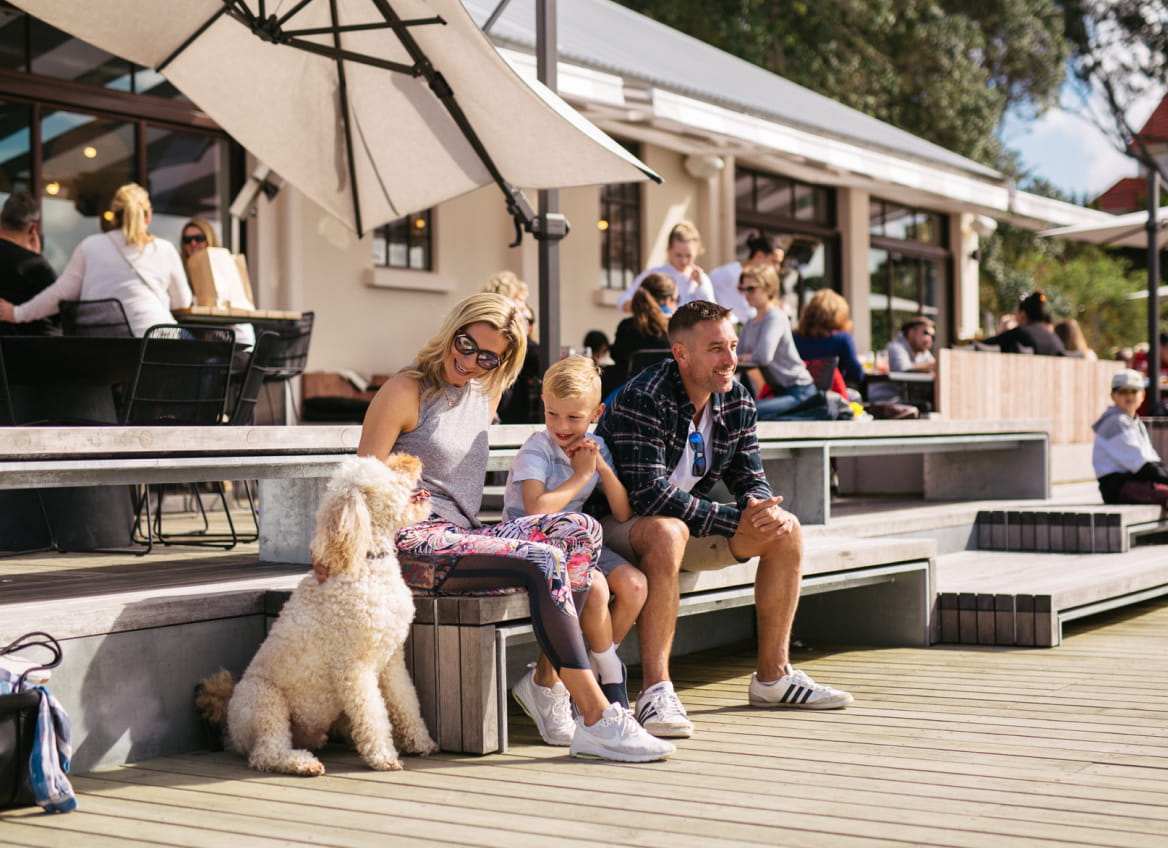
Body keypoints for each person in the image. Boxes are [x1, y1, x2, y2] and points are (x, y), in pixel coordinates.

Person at [333, 292, 672, 762]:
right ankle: (599, 716)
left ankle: (545, 685)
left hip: (463, 535)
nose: (470, 360)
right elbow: (360, 481)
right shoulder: (406, 389)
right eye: (466, 344)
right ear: (453, 330)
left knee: (580, 532)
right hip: (408, 541)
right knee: (542, 559)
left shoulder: (483, 392)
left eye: (487, 355)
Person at [595, 301, 853, 739]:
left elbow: (749, 475)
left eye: (732, 346)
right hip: (615, 526)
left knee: (784, 528)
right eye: (716, 348)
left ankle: (772, 677)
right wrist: (732, 520)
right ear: (681, 354)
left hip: (686, 525)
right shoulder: (646, 395)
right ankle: (655, 691)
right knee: (665, 530)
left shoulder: (735, 399)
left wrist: (758, 508)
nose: (731, 359)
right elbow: (648, 494)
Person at [503, 355, 647, 719]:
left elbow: (622, 513)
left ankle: (598, 665)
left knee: (634, 585)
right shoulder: (538, 448)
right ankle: (609, 680)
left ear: (596, 413)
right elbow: (536, 509)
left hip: (577, 544)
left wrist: (600, 468)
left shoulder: (594, 446)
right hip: (531, 542)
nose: (561, 426)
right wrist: (581, 477)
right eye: (553, 414)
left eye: (573, 417)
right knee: (596, 588)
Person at [0, 183, 191, 336]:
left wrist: (17, 314)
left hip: (102, 350)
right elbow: (182, 302)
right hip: (153, 342)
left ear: (113, 216)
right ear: (148, 216)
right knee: (209, 358)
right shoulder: (164, 248)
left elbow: (59, 294)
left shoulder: (90, 245)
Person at [735, 265, 820, 419]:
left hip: (800, 392)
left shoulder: (775, 317)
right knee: (734, 410)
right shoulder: (750, 322)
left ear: (769, 289)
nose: (746, 293)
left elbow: (763, 357)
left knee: (745, 412)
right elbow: (735, 356)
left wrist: (746, 357)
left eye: (751, 288)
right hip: (779, 392)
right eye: (743, 289)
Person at [1092, 369, 1168, 507]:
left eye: (1134, 391)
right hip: (1119, 486)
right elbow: (1140, 464)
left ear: (1143, 395)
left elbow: (1150, 460)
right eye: (1123, 392)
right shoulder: (1116, 422)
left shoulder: (1133, 421)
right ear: (1113, 396)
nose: (1129, 396)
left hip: (1135, 483)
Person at [179, 217, 255, 348]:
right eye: (187, 240)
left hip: (236, 343)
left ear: (209, 239)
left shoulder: (224, 267)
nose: (193, 243)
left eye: (199, 238)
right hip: (209, 341)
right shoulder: (183, 272)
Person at [615, 221, 714, 313]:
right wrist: (651, 309)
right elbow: (622, 300)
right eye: (678, 255)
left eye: (688, 255)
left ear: (697, 252)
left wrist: (701, 286)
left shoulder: (702, 279)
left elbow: (711, 313)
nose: (684, 261)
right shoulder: (655, 275)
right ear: (669, 250)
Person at [0, 191, 58, 336]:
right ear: (33, 228)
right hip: (31, 351)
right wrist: (36, 258)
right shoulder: (33, 265)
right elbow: (62, 309)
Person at [792, 289, 865, 390]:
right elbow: (857, 375)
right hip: (833, 395)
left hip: (801, 393)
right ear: (839, 315)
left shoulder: (794, 338)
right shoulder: (842, 339)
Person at [609, 272, 676, 380]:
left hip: (630, 391)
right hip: (670, 392)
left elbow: (617, 357)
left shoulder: (626, 327)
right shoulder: (677, 328)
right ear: (668, 301)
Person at [708, 232, 785, 325]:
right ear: (759, 256)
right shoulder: (729, 275)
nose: (777, 268)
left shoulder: (730, 272)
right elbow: (749, 315)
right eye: (774, 261)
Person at [868, 316, 936, 404]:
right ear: (911, 333)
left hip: (907, 400)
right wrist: (932, 364)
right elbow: (903, 369)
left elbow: (933, 367)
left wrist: (932, 367)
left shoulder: (924, 352)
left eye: (932, 336)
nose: (929, 339)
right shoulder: (895, 347)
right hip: (885, 400)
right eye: (926, 333)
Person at [982, 291, 1065, 356]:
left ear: (1022, 314)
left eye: (1016, 312)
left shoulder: (1020, 333)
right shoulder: (1054, 338)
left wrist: (1002, 329)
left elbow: (984, 347)